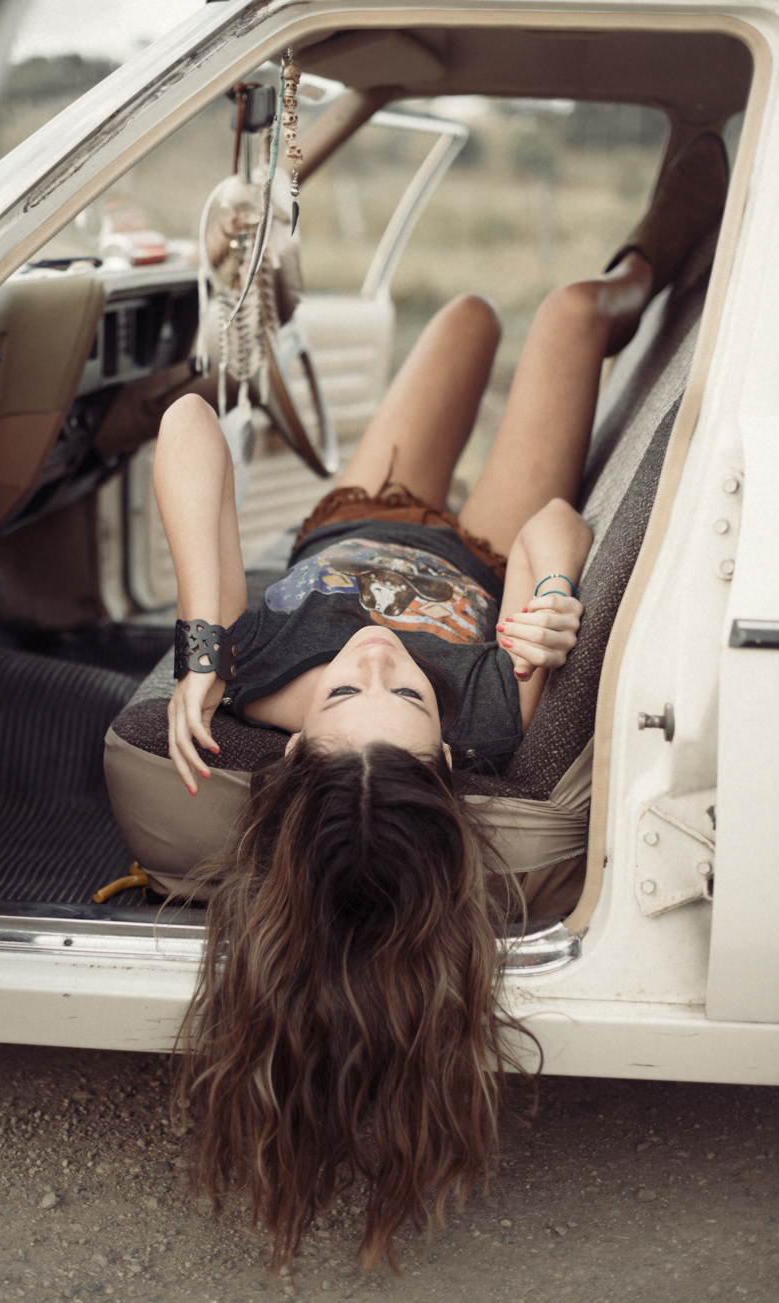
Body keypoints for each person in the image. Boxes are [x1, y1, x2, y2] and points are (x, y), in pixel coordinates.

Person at [154, 133, 728, 1271]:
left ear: (298, 751)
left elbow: (184, 424)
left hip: (358, 513)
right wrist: (549, 594)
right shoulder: (485, 712)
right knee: (568, 313)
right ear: (450, 755)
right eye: (404, 693)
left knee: (464, 314)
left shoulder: (247, 679)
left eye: (346, 690)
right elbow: (551, 526)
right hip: (479, 550)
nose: (375, 657)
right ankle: (661, 254)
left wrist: (200, 636)